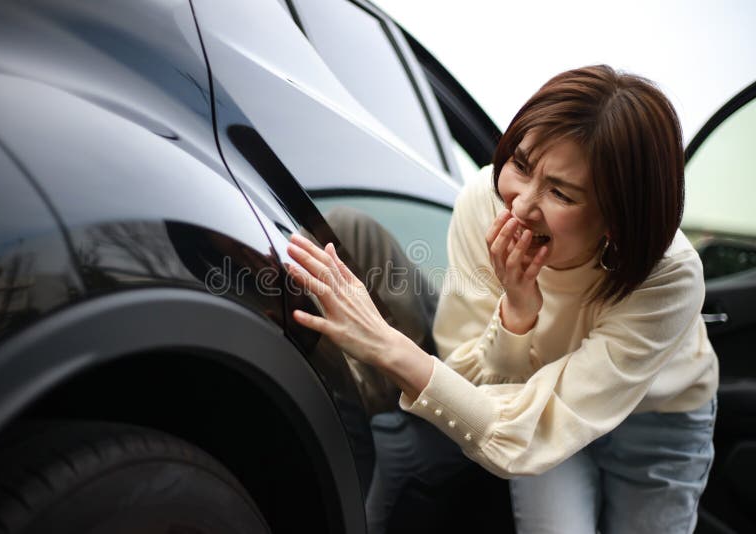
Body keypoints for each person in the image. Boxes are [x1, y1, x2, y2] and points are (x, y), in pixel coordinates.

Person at [286, 65, 718, 533]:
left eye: (560, 192)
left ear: (618, 217)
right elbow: (480, 393)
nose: (520, 205)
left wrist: (388, 346)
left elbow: (521, 438)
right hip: (536, 401)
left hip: (657, 419)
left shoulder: (668, 275)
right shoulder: (484, 203)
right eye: (522, 165)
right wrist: (516, 315)